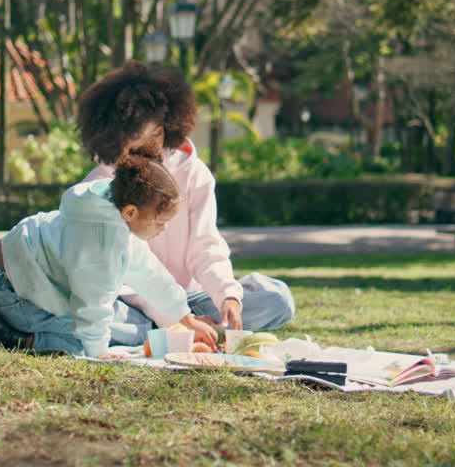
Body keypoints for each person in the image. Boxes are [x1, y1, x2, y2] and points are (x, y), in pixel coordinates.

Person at [0, 154, 217, 357]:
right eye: (160, 222)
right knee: (78, 343)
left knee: (95, 332)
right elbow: (92, 305)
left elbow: (148, 271)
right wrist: (98, 354)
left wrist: (185, 317)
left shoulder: (110, 211)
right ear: (131, 211)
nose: (163, 230)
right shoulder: (102, 236)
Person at [76, 61, 295, 346]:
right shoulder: (95, 189)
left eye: (157, 133)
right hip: (134, 304)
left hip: (194, 297)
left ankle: (181, 331)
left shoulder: (194, 173)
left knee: (277, 298)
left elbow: (205, 245)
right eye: (139, 139)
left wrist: (227, 295)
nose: (152, 147)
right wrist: (174, 318)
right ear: (116, 138)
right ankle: (176, 332)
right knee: (98, 317)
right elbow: (120, 277)